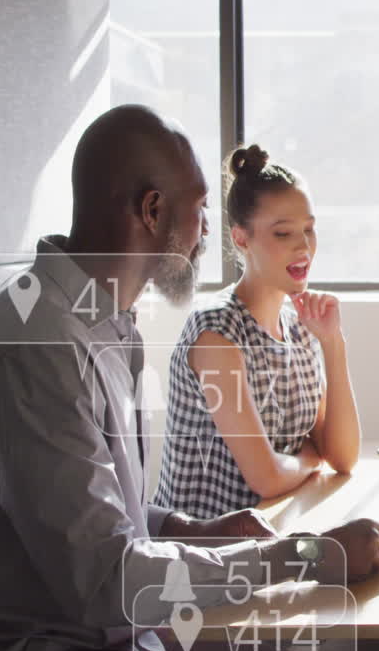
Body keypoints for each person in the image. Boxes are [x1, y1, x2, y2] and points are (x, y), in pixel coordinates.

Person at [0, 105, 379, 651]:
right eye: (198, 210)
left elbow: (90, 515)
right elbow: (104, 583)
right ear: (151, 210)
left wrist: (187, 527)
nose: (204, 233)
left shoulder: (103, 323)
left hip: (101, 634)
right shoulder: (35, 348)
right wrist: (305, 556)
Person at [154, 144, 360, 519]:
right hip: (205, 554)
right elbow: (265, 478)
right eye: (283, 234)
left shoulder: (298, 326)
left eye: (309, 230)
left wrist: (333, 343)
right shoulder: (216, 333)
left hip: (273, 530)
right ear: (241, 239)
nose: (304, 247)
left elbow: (343, 457)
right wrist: (311, 460)